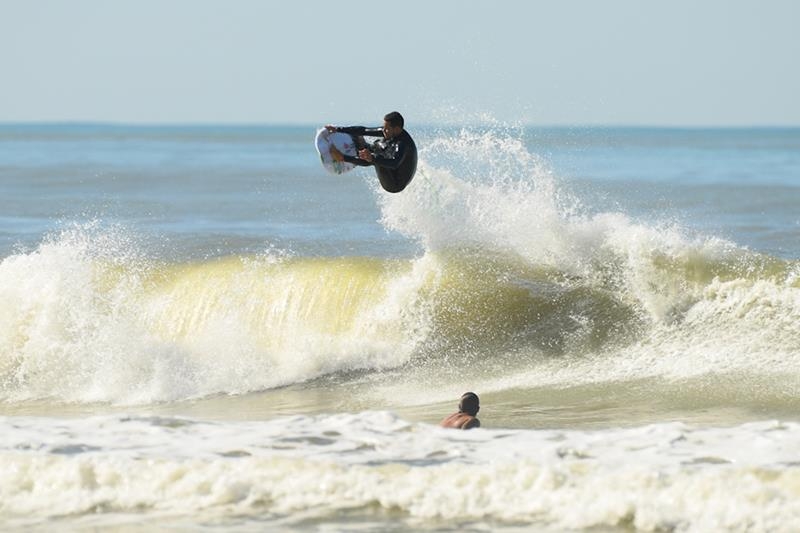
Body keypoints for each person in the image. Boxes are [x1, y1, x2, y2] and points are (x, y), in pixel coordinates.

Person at [325, 111, 417, 193]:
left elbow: (394, 163)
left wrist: (372, 158)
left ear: (396, 129)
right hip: (392, 168)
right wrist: (338, 129)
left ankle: (342, 157)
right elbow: (364, 130)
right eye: (384, 127)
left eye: (386, 129)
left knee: (377, 153)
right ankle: (364, 148)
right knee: (377, 143)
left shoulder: (403, 144)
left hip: (394, 184)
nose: (383, 131)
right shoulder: (390, 131)